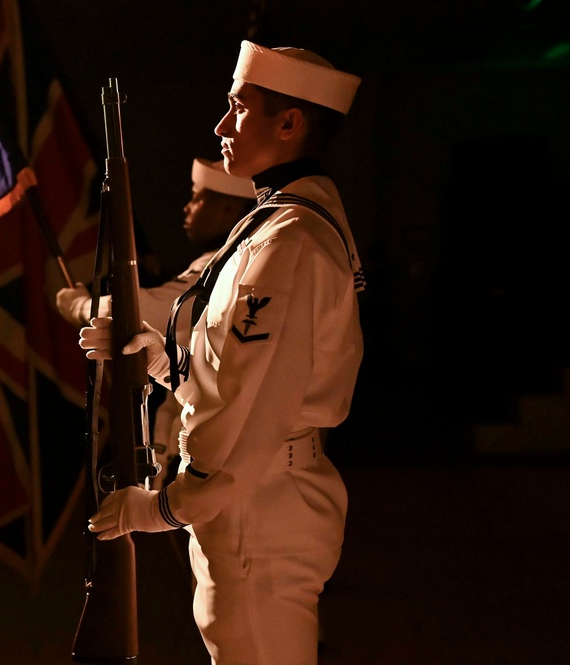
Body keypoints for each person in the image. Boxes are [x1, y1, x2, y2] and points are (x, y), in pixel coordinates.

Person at [80, 40, 365, 664]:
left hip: (254, 499)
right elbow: (238, 374)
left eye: (239, 107)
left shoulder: (286, 240)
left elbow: (249, 406)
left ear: (289, 123)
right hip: (253, 494)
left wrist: (162, 507)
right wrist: (156, 357)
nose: (221, 127)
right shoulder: (275, 223)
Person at [56, 157, 256, 488]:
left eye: (198, 197)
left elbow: (141, 311)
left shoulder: (223, 266)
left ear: (227, 211)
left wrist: (77, 305)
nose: (187, 208)